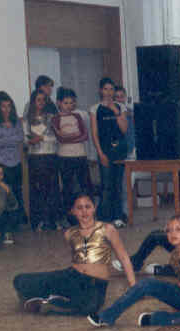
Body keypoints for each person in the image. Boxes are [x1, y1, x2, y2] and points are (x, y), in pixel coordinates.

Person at [13, 193, 136, 316]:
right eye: (79, 208)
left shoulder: (108, 229)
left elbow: (123, 257)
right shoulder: (69, 233)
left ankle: (51, 303)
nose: (84, 211)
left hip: (96, 283)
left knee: (90, 307)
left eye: (87, 207)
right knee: (20, 280)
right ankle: (48, 297)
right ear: (73, 211)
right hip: (72, 277)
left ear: (94, 208)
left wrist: (133, 285)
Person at [89, 215, 180, 327]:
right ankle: (107, 317)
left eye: (178, 229)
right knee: (146, 283)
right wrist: (176, 299)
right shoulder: (175, 255)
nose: (172, 233)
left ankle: (153, 319)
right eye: (169, 230)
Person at [89, 77, 128, 226]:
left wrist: (116, 112)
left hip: (119, 150)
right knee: (106, 185)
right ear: (100, 91)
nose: (109, 92)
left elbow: (124, 129)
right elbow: (94, 133)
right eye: (106, 89)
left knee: (118, 184)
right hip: (104, 150)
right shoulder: (95, 109)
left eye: (111, 89)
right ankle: (105, 218)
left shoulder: (120, 107)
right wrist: (100, 153)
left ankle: (118, 217)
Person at [0, 91, 26, 224]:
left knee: (17, 190)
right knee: (3, 193)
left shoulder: (16, 121)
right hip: (1, 162)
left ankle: (18, 221)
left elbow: (21, 137)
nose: (7, 109)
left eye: (9, 106)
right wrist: (12, 138)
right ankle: (6, 224)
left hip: (16, 161)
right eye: (3, 106)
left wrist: (5, 138)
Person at [51, 87, 92, 226]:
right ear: (59, 103)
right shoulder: (56, 119)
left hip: (80, 155)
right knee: (68, 188)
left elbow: (85, 135)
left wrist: (68, 136)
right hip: (64, 157)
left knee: (85, 186)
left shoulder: (77, 117)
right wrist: (75, 135)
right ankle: (70, 218)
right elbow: (60, 139)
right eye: (66, 103)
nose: (69, 106)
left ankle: (88, 216)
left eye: (72, 102)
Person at [24, 89, 60, 231]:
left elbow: (56, 138)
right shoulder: (27, 119)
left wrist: (41, 138)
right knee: (37, 189)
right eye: (38, 100)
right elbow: (25, 140)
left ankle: (53, 220)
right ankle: (38, 221)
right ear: (33, 101)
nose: (41, 103)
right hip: (35, 157)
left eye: (43, 100)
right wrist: (31, 141)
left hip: (50, 155)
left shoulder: (51, 117)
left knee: (51, 189)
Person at [114, 85, 135, 223]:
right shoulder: (111, 113)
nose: (119, 99)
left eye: (121, 96)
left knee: (126, 185)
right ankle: (118, 213)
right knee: (117, 185)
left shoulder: (131, 113)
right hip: (116, 153)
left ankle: (126, 213)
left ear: (125, 97)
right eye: (116, 97)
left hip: (130, 152)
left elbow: (133, 133)